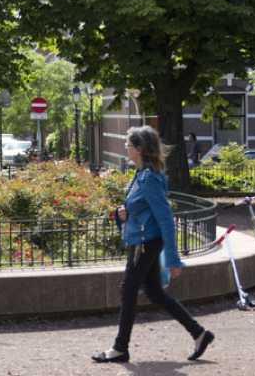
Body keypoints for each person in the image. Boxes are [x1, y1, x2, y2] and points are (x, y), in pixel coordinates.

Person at [92, 125, 214, 364]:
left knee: (128, 290)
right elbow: (142, 209)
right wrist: (123, 213)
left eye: (128, 144)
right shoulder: (141, 175)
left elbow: (166, 218)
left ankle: (120, 348)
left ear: (138, 149)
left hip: (146, 243)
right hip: (142, 240)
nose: (126, 148)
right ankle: (199, 333)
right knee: (154, 292)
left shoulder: (149, 178)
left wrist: (173, 259)